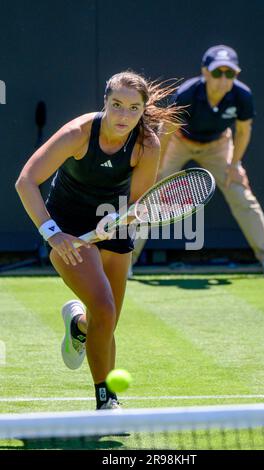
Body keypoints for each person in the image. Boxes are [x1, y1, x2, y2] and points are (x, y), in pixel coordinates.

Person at [15, 71, 181, 410]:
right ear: (104, 102)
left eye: (133, 108)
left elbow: (140, 204)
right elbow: (26, 181)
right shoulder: (78, 133)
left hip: (114, 223)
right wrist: (52, 233)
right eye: (116, 105)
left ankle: (79, 326)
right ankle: (107, 400)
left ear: (142, 110)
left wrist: (119, 219)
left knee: (106, 321)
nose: (123, 115)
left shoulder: (147, 144)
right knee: (104, 307)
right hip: (68, 226)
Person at [132, 45, 264, 278]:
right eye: (217, 72)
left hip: (218, 145)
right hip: (179, 141)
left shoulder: (242, 95)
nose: (223, 79)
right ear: (205, 72)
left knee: (240, 191)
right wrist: (158, 168)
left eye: (230, 73)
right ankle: (127, 260)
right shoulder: (188, 94)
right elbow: (166, 132)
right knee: (151, 193)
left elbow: (243, 132)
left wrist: (234, 166)